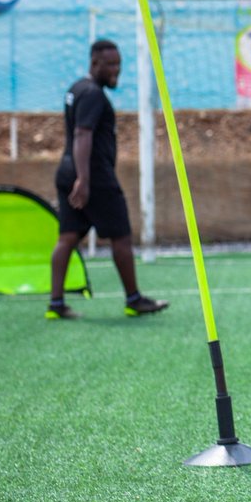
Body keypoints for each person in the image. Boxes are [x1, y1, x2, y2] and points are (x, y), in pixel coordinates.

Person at [46, 40, 169, 320]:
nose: (116, 71)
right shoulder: (92, 95)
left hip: (66, 171)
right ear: (94, 64)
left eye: (118, 65)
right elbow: (82, 134)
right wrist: (85, 180)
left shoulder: (76, 89)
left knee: (67, 237)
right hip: (94, 177)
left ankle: (55, 304)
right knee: (121, 236)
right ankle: (134, 299)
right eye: (110, 65)